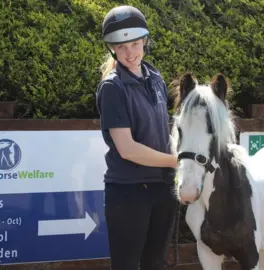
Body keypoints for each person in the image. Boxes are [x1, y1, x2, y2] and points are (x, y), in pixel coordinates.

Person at [95, 5, 179, 270]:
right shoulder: (112, 87)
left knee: (155, 264)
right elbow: (127, 149)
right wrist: (177, 161)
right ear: (112, 49)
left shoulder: (155, 78)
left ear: (144, 40)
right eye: (121, 47)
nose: (129, 53)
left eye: (133, 44)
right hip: (128, 192)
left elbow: (161, 131)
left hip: (161, 188)